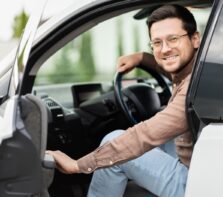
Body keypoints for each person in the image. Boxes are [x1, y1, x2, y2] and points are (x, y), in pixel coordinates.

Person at [47, 4, 201, 197]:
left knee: (114, 141)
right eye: (157, 43)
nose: (165, 49)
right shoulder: (202, 70)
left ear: (195, 39)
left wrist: (78, 165)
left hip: (198, 184)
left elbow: (143, 135)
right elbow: (171, 60)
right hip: (203, 167)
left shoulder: (193, 89)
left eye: (173, 39)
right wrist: (141, 58)